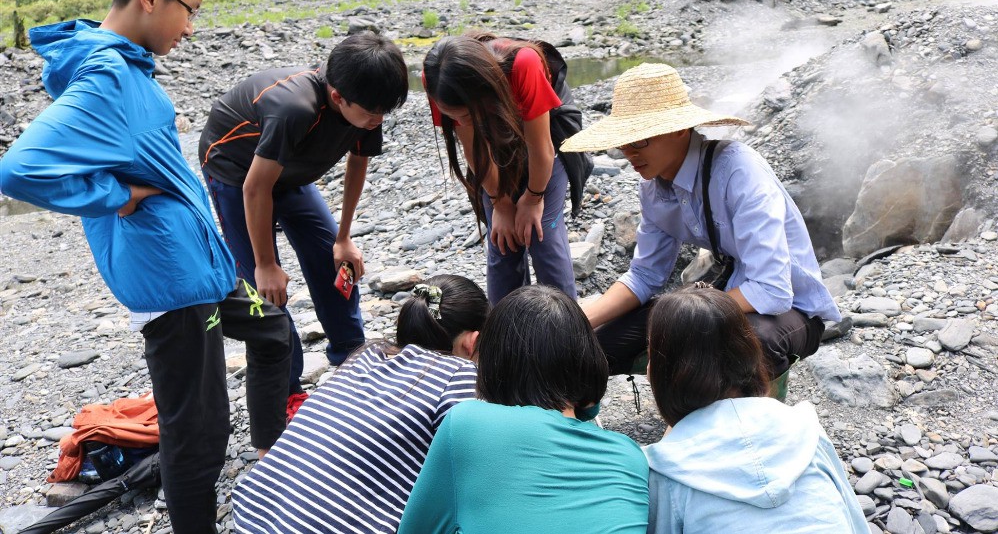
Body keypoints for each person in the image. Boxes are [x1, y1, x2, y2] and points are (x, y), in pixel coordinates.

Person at [0, 0, 290, 534]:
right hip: (174, 283)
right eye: (190, 11)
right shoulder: (108, 75)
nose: (190, 30)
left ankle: (271, 449)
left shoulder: (126, 68)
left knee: (273, 331)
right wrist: (116, 196)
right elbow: (20, 170)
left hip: (198, 268)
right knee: (199, 436)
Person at [560, 63, 840, 379]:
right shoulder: (652, 187)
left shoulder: (738, 172)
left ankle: (750, 419)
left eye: (638, 141)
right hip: (725, 289)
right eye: (622, 142)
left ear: (679, 129)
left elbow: (772, 291)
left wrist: (683, 316)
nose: (628, 153)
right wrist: (581, 319)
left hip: (789, 307)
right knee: (595, 346)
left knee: (748, 344)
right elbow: (645, 276)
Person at [199, 32, 408, 410]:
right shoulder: (294, 108)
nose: (377, 121)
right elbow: (255, 188)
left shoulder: (366, 104)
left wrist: (344, 238)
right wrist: (266, 264)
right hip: (236, 172)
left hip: (290, 169)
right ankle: (288, 390)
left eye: (383, 114)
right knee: (265, 291)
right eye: (371, 114)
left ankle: (350, 354)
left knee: (334, 257)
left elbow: (357, 163)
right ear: (338, 97)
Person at [231, 275, 487, 534]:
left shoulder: (367, 354)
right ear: (472, 342)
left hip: (253, 510)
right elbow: (481, 469)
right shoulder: (458, 373)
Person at [397, 285, 649, 534]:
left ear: (492, 365)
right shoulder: (629, 455)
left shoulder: (466, 423)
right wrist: (586, 402)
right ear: (588, 361)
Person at [644, 285, 868, 533]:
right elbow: (855, 521)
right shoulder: (807, 429)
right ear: (750, 353)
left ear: (660, 371)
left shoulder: (666, 471)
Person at [422, 34, 578, 305]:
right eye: (452, 116)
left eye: (466, 115)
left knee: (542, 236)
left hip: (547, 132)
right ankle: (506, 335)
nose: (459, 121)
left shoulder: (523, 65)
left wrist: (533, 197)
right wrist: (500, 202)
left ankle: (569, 333)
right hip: (494, 142)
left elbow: (542, 148)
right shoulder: (437, 78)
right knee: (502, 241)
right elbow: (472, 146)